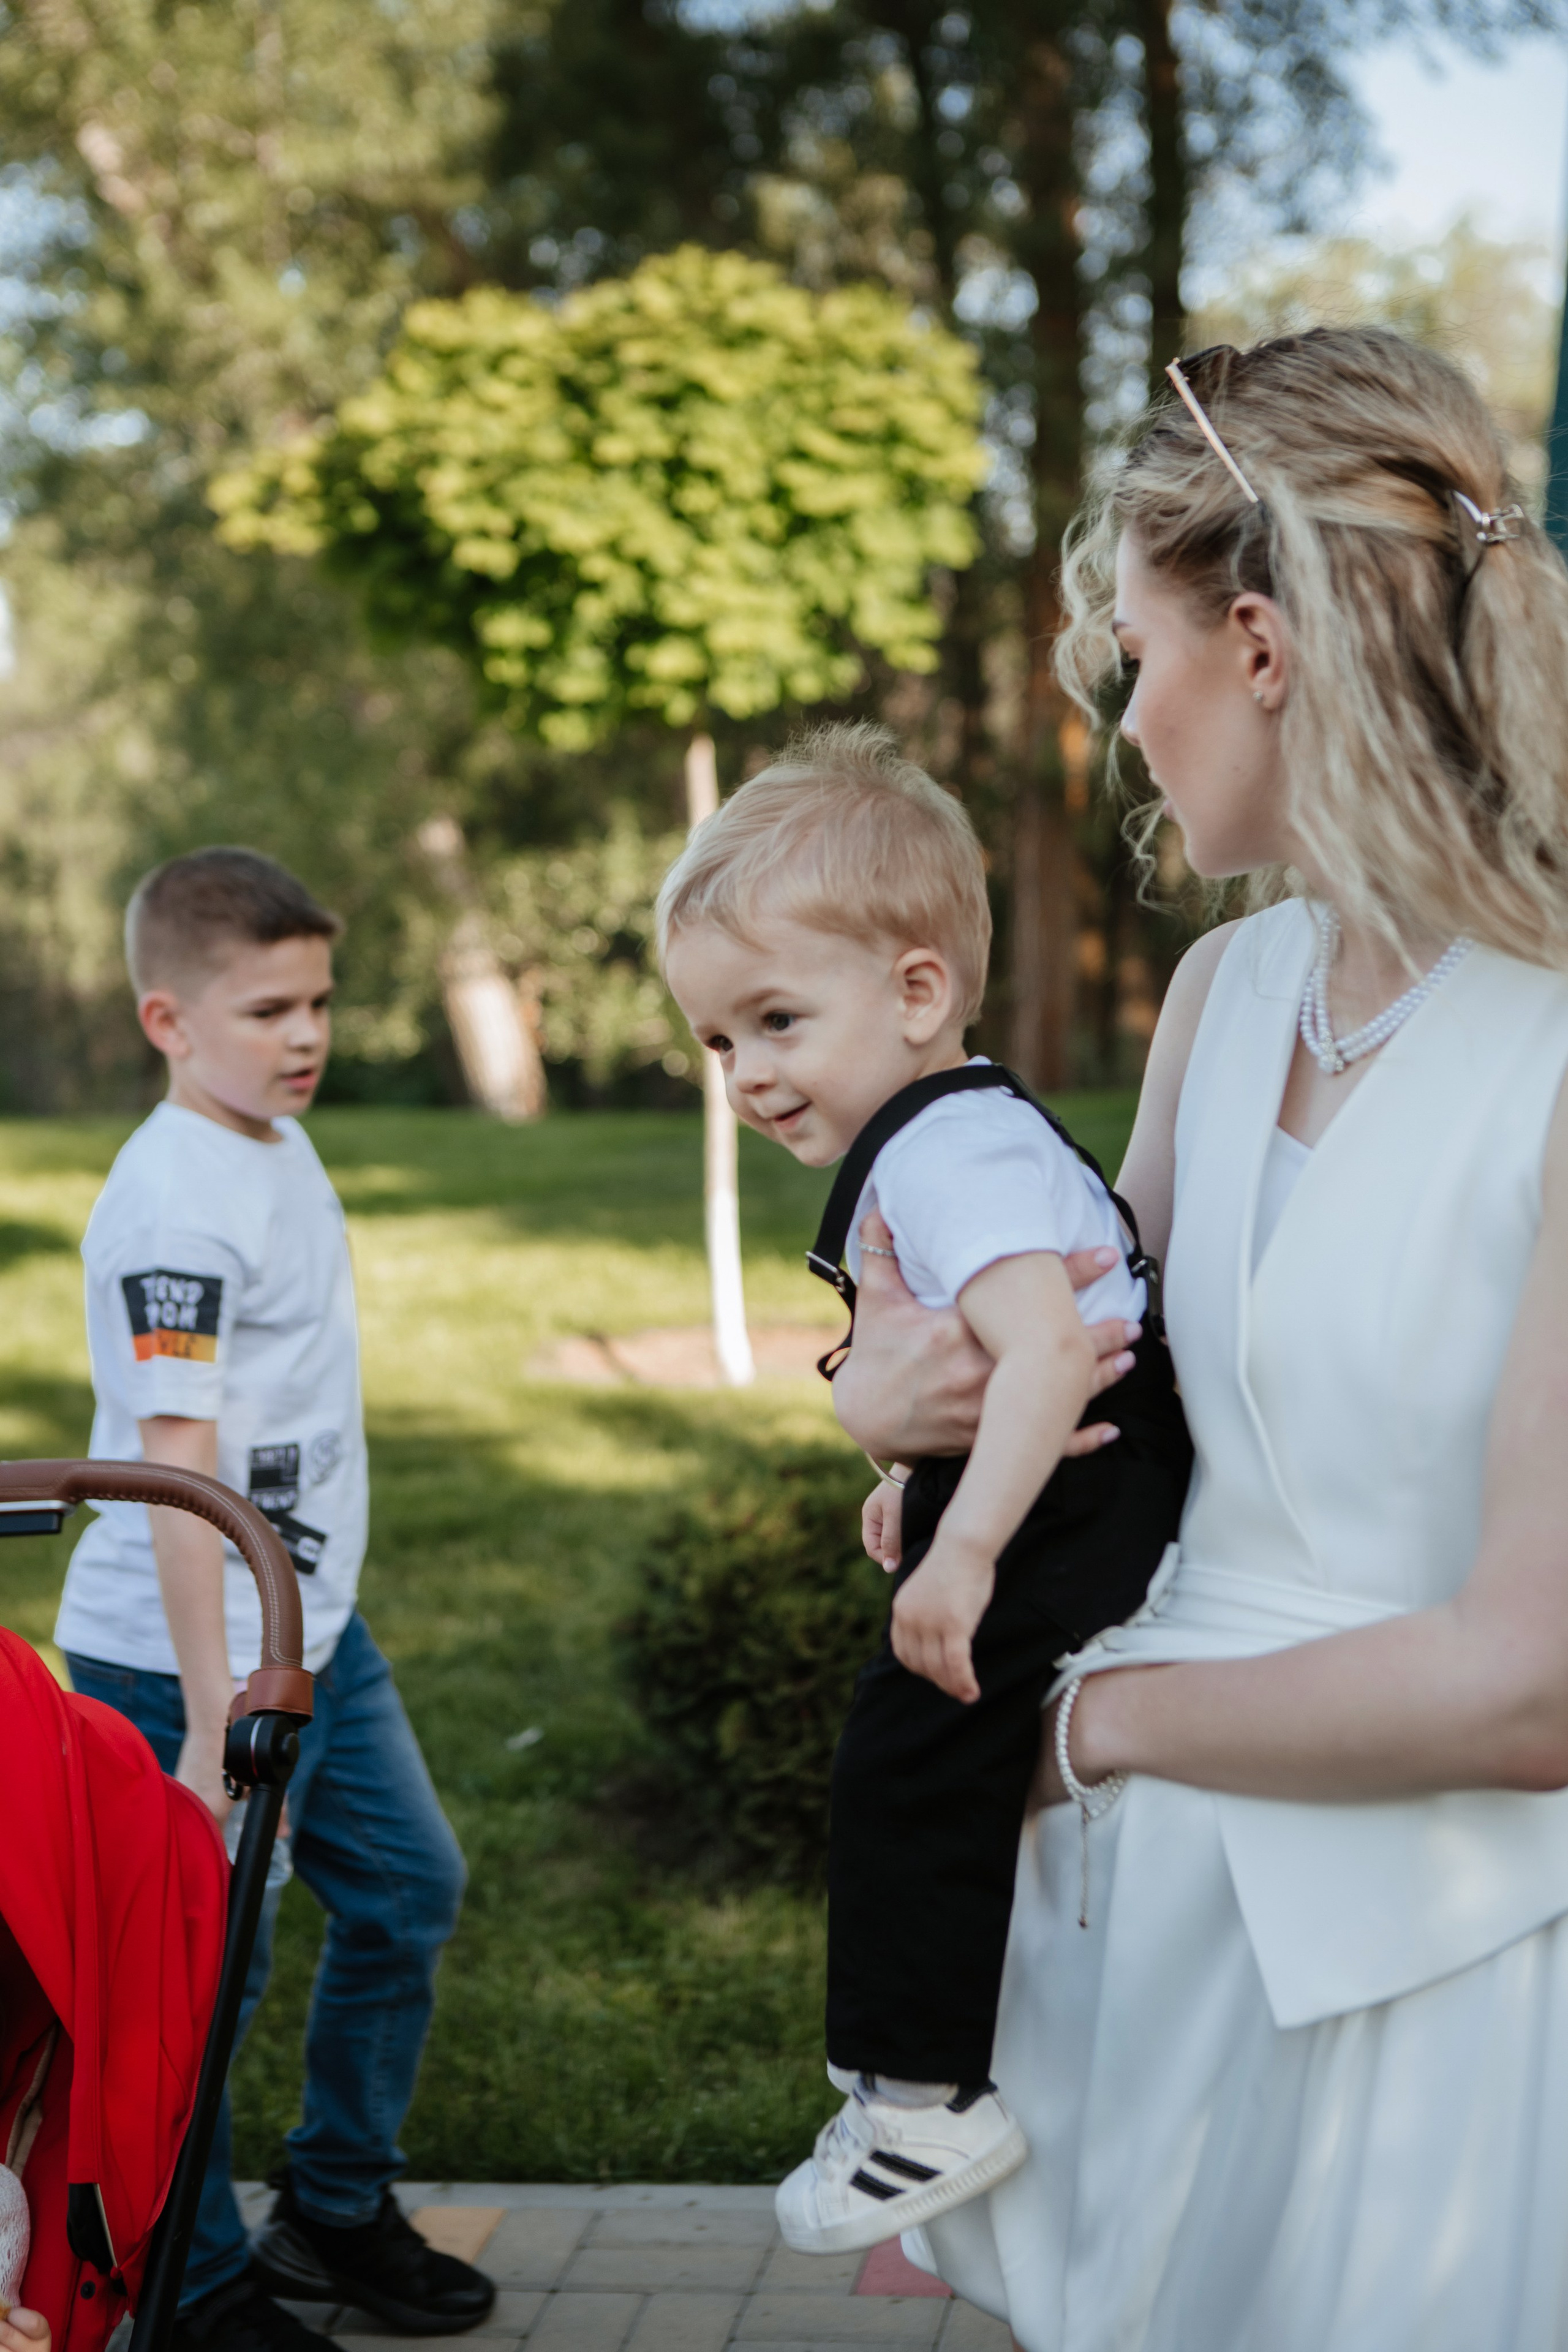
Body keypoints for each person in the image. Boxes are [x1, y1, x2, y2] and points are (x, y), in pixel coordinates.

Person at [830, 325, 1568, 2352]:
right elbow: (1102, 1423)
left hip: (1446, 1967)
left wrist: (1075, 1736)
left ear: (1260, 644)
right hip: (1144, 1942)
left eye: (1132, 663)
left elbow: (1536, 1686)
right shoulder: (1226, 999)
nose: (1122, 726)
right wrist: (891, 1415)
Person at [658, 729, 1192, 2256]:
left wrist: (965, 1549)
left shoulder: (948, 1152)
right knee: (913, 1761)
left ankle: (923, 2104)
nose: (749, 1073)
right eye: (718, 1044)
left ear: (913, 992)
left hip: (1086, 1493)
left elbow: (1038, 1354)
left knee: (906, 1761)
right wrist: (919, 1466)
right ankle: (917, 2076)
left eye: (774, 1020)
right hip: (1060, 1480)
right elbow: (976, 1368)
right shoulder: (945, 1134)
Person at [53, 850, 494, 2352]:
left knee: (406, 1887)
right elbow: (175, 1480)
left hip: (308, 1637)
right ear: (167, 1019)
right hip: (179, 1660)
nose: (305, 1036)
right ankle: (192, 2281)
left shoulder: (269, 1141)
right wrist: (201, 1721)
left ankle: (333, 2202)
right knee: (200, 1978)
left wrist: (285, 1652)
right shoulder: (173, 1208)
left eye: (317, 1001)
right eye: (265, 1011)